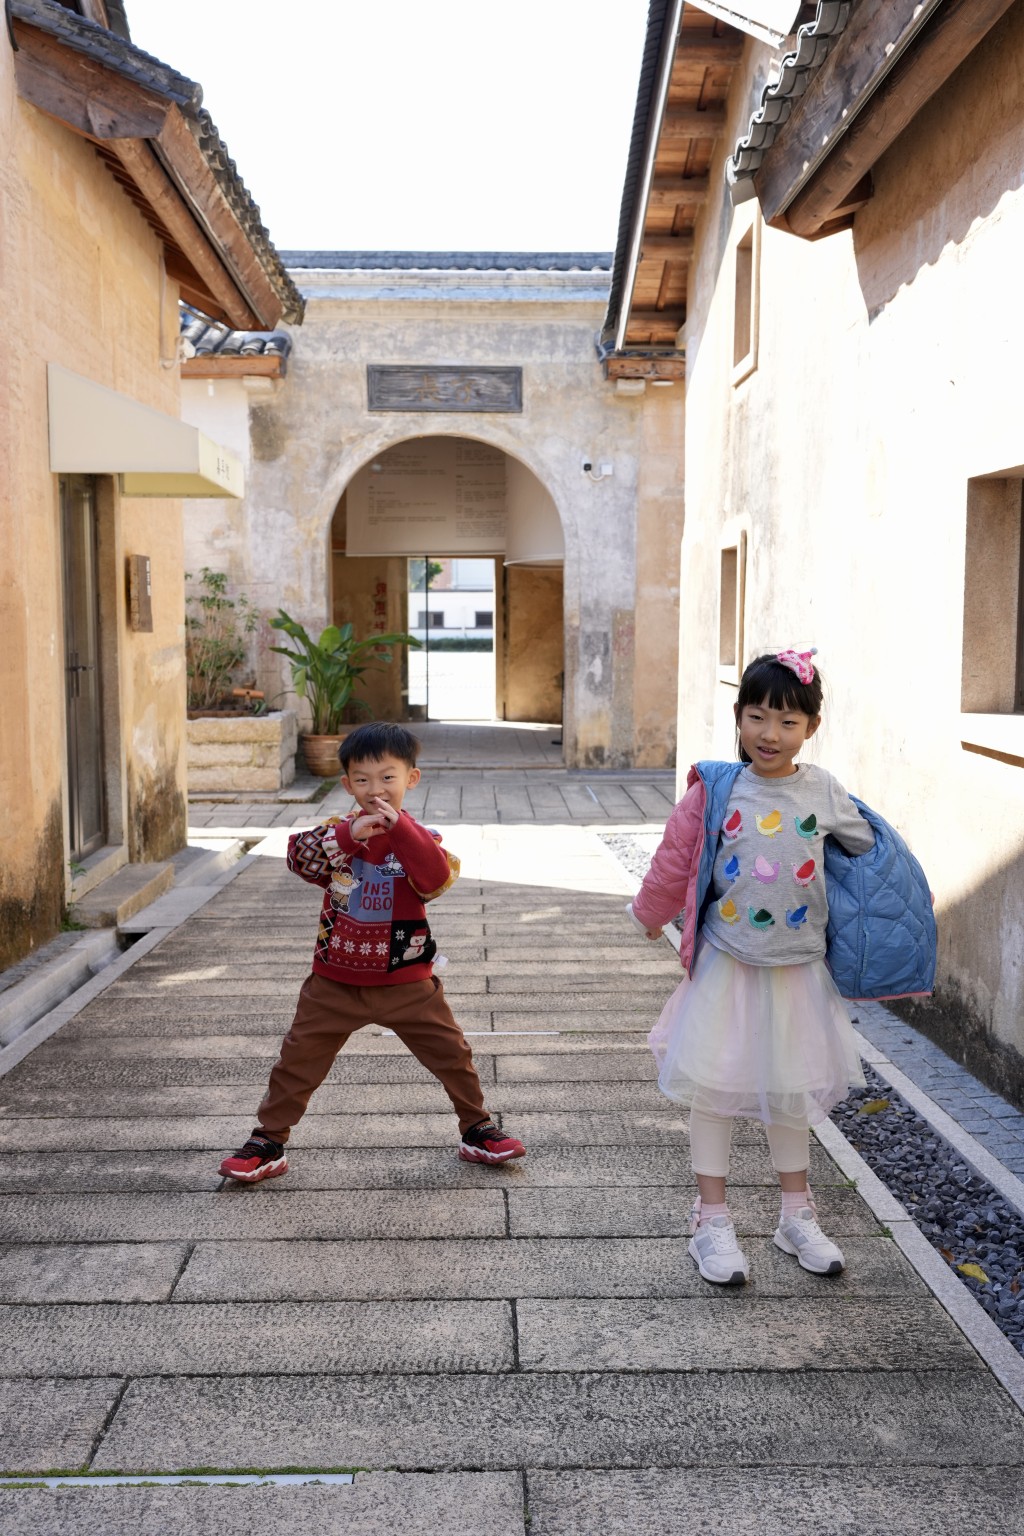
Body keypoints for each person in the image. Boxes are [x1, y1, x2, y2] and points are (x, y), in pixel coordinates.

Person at [628, 648, 934, 1285]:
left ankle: (797, 1215)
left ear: (811, 728)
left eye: (788, 721)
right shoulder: (715, 788)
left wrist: (900, 923)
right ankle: (711, 1221)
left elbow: (869, 855)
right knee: (712, 1088)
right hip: (728, 968)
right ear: (738, 718)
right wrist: (648, 912)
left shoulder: (824, 789)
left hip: (799, 971)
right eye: (758, 716)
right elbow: (676, 859)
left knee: (791, 1091)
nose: (770, 733)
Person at [219, 721, 525, 1182]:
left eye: (388, 777)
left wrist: (400, 830)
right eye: (362, 780)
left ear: (410, 780)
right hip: (334, 980)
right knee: (297, 1060)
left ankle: (477, 1128)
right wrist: (349, 836)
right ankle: (268, 1140)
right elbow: (299, 859)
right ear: (347, 785)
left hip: (407, 980)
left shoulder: (424, 838)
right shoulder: (335, 834)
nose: (375, 789)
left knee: (451, 1053)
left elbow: (434, 878)